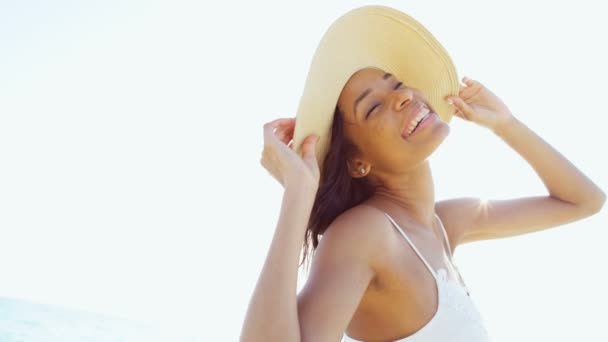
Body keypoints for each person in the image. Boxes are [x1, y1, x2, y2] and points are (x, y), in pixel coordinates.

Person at [240, 6, 605, 342]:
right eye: (373, 107)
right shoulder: (364, 234)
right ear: (357, 163)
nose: (402, 97)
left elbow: (584, 201)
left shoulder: (443, 225)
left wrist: (506, 124)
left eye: (396, 84)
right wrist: (299, 194)